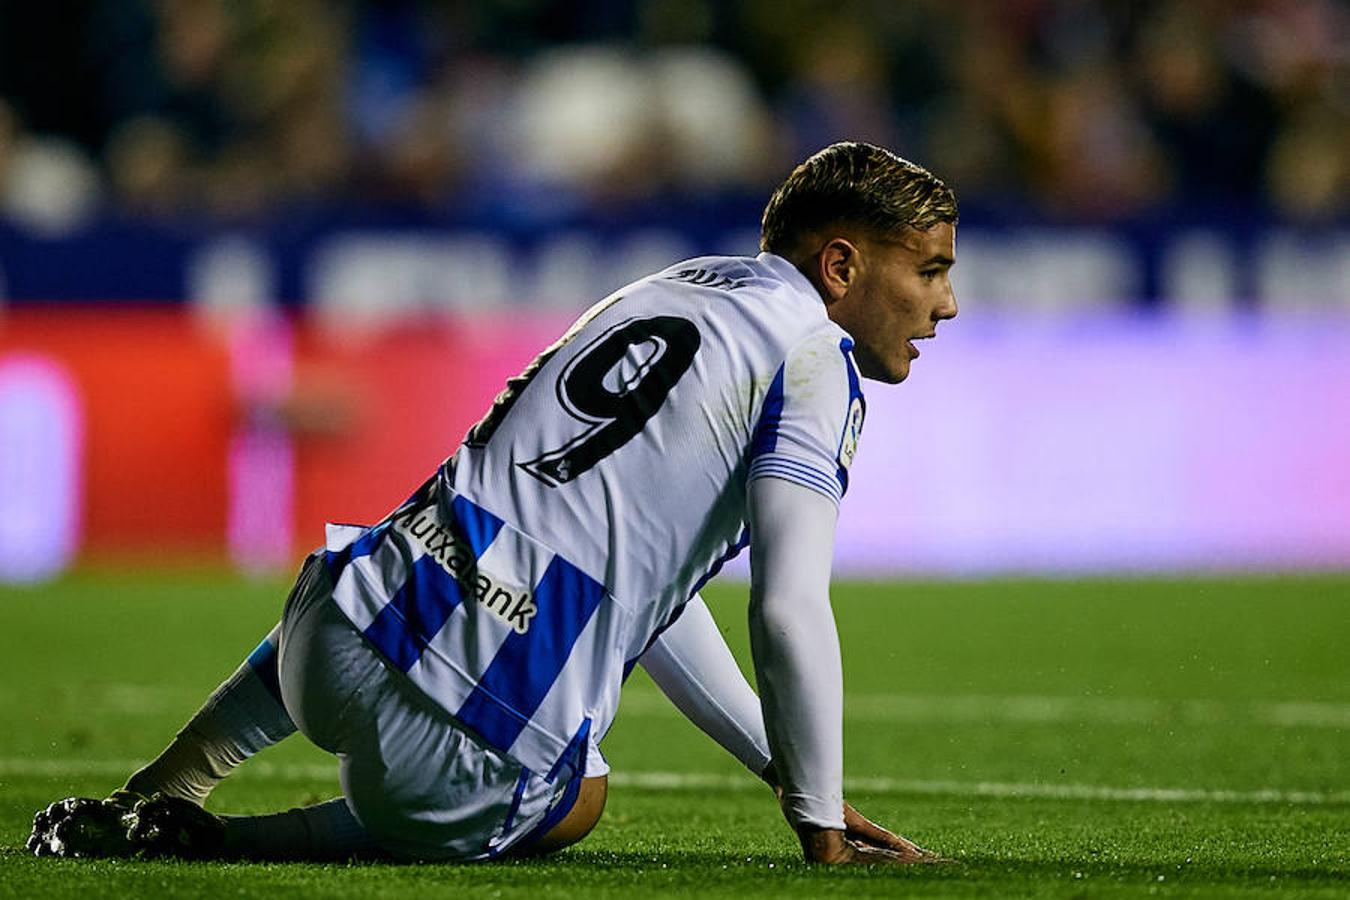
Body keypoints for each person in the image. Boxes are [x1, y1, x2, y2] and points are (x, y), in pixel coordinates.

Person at [29, 140, 958, 865]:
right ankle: (227, 843)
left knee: (396, 579)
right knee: (577, 796)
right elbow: (788, 604)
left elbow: (650, 596)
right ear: (841, 266)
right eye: (928, 270)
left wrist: (785, 770)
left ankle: (163, 787)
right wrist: (817, 821)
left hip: (329, 631)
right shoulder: (817, 361)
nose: (945, 303)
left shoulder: (674, 285)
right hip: (460, 744)